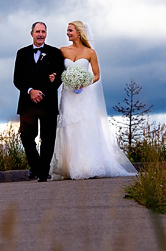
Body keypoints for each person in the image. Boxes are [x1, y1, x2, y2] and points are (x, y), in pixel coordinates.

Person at [50, 21, 137, 180]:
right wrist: (57, 76)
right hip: (68, 95)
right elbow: (55, 69)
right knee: (68, 128)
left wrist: (84, 82)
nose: (67, 33)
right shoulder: (62, 51)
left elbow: (96, 75)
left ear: (78, 32)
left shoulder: (90, 52)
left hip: (84, 95)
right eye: (67, 31)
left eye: (70, 30)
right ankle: (69, 167)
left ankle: (89, 164)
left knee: (85, 126)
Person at [13, 22, 65, 182]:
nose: (40, 34)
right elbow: (17, 79)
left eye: (43, 31)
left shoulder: (55, 53)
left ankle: (43, 173)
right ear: (32, 34)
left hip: (47, 101)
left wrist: (43, 92)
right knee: (26, 137)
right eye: (38, 31)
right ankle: (35, 165)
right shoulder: (21, 53)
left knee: (48, 139)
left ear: (46, 34)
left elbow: (59, 77)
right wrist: (30, 91)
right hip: (27, 102)